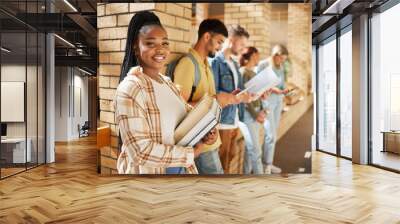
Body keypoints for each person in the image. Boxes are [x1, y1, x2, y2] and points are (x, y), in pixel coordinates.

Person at [114, 11, 212, 174]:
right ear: (136, 47)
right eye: (151, 43)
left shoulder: (168, 84)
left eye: (165, 43)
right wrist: (190, 154)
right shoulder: (130, 89)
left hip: (182, 169)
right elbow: (140, 152)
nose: (160, 50)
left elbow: (187, 120)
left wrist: (205, 132)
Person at [173, 19, 242, 174]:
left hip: (209, 140)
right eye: (218, 42)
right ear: (206, 37)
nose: (220, 47)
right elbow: (179, 108)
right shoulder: (188, 64)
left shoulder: (206, 65)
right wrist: (216, 99)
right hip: (199, 144)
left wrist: (227, 98)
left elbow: (210, 102)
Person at [211, 25, 253, 174]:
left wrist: (248, 96)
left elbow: (239, 91)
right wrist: (235, 98)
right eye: (242, 44)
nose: (244, 49)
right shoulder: (216, 62)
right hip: (222, 121)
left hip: (234, 120)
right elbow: (213, 93)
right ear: (230, 40)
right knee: (222, 162)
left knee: (230, 157)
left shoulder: (235, 64)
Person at [257, 45, 289, 174]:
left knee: (272, 134)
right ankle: (266, 166)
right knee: (271, 134)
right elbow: (260, 84)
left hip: (278, 102)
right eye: (281, 58)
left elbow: (281, 84)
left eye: (284, 59)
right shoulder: (263, 65)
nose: (282, 61)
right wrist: (277, 90)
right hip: (267, 103)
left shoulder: (280, 67)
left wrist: (284, 91)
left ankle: (267, 163)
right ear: (275, 54)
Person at [239, 47, 266, 174]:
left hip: (255, 113)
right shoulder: (244, 72)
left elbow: (256, 95)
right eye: (258, 55)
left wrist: (261, 111)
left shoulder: (252, 72)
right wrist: (256, 115)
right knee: (256, 151)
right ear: (253, 55)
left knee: (250, 150)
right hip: (248, 115)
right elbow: (246, 98)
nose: (259, 58)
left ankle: (246, 176)